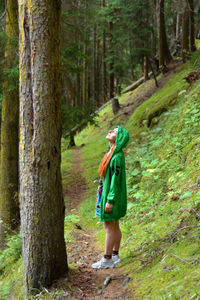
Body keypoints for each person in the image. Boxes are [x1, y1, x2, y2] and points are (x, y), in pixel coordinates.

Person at [92, 125, 130, 269]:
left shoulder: (116, 157)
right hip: (108, 194)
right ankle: (115, 255)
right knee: (114, 225)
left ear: (119, 138)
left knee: (109, 226)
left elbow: (115, 179)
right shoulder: (111, 153)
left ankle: (107, 259)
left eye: (114, 132)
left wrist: (110, 200)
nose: (110, 131)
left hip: (111, 196)